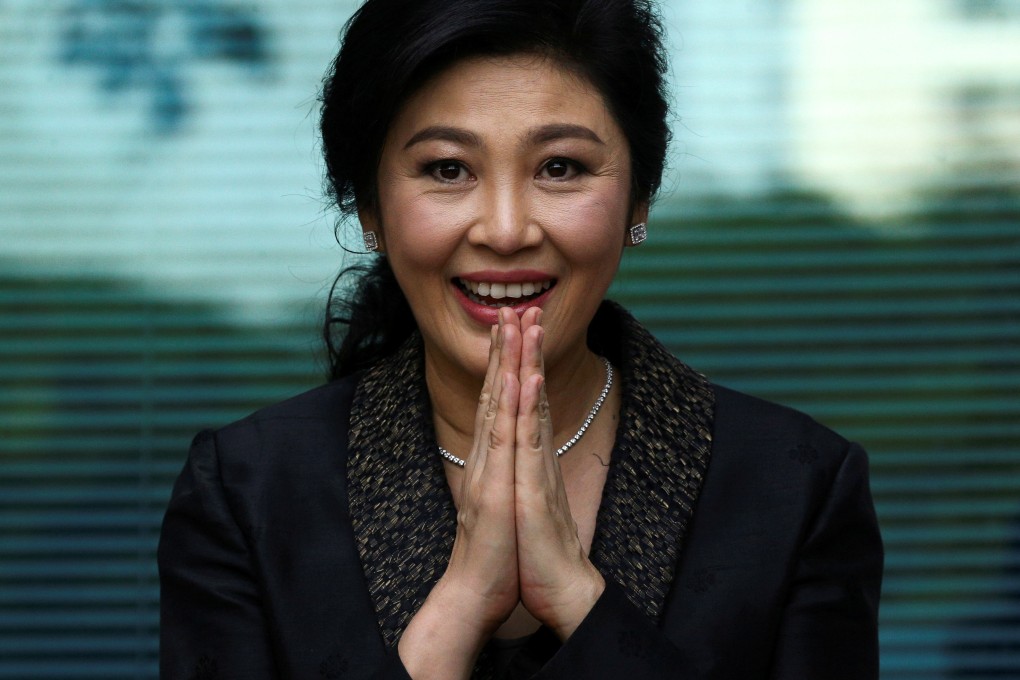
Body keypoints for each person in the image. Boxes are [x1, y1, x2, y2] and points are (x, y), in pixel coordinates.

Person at [157, 0, 884, 678]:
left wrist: (575, 596)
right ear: (370, 207)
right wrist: (461, 604)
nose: (506, 231)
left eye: (559, 168)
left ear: (640, 197)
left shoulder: (797, 487)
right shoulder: (246, 492)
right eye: (447, 169)